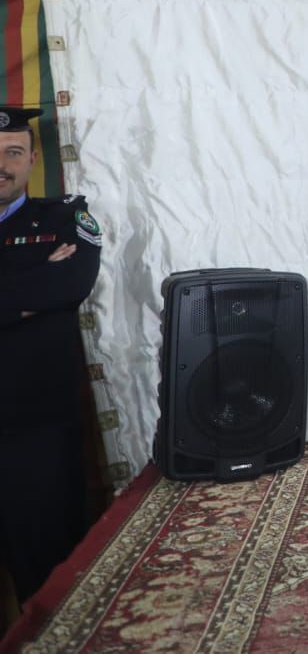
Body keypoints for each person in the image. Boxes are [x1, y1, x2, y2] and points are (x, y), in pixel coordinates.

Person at [0, 106, 102, 606]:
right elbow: (44, 288)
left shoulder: (65, 218)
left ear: (33, 159)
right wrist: (30, 286)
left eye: (13, 152)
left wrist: (41, 287)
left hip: (35, 427)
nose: (2, 165)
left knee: (50, 578)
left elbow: (70, 284)